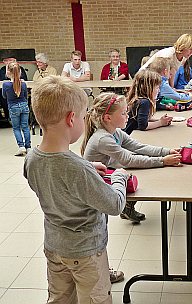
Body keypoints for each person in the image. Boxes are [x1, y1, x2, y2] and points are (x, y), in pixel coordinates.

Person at [24, 75, 129, 303]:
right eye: (83, 116)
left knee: (60, 298)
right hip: (86, 253)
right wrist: (119, 177)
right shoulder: (77, 169)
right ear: (72, 119)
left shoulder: (32, 158)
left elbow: (54, 175)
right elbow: (114, 204)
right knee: (95, 299)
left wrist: (88, 166)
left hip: (54, 247)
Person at [81, 92, 181, 223]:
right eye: (123, 113)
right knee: (134, 173)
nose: (128, 116)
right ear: (108, 118)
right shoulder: (102, 139)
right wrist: (163, 161)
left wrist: (166, 151)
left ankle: (127, 207)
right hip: (94, 183)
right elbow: (129, 160)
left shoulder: (115, 132)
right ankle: (126, 206)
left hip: (105, 171)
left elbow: (138, 147)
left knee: (139, 166)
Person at [124, 69, 172, 135]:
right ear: (148, 88)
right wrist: (161, 123)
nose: (159, 91)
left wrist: (161, 120)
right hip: (128, 138)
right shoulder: (145, 102)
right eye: (157, 88)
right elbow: (143, 126)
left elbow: (141, 120)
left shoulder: (138, 99)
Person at [2, 62, 31, 156]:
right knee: (25, 127)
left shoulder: (6, 85)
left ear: (8, 72)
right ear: (20, 72)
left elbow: (4, 96)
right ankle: (28, 147)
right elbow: (26, 96)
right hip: (24, 106)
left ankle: (21, 146)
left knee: (16, 128)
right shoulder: (23, 84)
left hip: (13, 107)